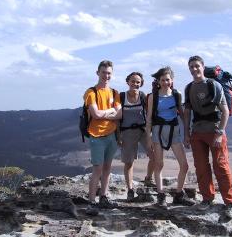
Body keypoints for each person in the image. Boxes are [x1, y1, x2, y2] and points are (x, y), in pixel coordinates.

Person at [183, 55, 232, 219]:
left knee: (220, 165)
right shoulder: (189, 88)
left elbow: (225, 110)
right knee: (201, 167)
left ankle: (230, 202)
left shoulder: (213, 85)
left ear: (202, 66)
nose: (194, 69)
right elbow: (187, 112)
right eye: (191, 66)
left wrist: (220, 133)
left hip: (215, 130)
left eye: (197, 66)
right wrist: (186, 133)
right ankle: (207, 198)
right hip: (197, 131)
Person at [145, 66, 195, 207]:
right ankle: (161, 196)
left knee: (184, 165)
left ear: (172, 80)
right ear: (158, 81)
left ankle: (179, 194)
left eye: (168, 79)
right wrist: (148, 138)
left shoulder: (176, 94)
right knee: (159, 164)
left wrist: (186, 133)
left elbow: (183, 114)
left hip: (174, 131)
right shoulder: (153, 97)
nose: (165, 82)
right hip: (158, 132)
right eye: (163, 80)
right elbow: (149, 118)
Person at [83, 60, 121, 215]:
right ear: (97, 72)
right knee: (97, 169)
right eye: (104, 72)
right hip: (96, 135)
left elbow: (120, 114)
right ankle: (91, 202)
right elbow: (95, 114)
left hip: (111, 135)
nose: (106, 76)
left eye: (109, 73)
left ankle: (103, 197)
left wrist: (104, 113)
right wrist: (110, 112)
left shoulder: (114, 93)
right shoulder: (91, 92)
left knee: (107, 168)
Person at [118, 72, 155, 201]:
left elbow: (150, 113)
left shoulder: (143, 96)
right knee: (129, 162)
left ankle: (148, 179)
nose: (135, 84)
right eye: (133, 81)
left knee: (154, 155)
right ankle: (130, 189)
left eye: (138, 82)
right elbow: (117, 118)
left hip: (143, 130)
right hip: (127, 132)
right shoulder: (121, 97)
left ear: (141, 83)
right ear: (128, 82)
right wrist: (118, 136)